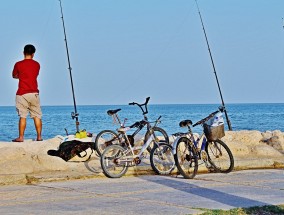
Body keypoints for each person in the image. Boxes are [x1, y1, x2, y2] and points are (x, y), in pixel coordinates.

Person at [12, 44, 43, 142]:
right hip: (34, 93)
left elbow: (14, 75)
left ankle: (21, 137)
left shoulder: (18, 64)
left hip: (22, 93)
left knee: (23, 116)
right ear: (33, 54)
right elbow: (34, 75)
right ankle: (39, 137)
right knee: (37, 116)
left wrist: (20, 76)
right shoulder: (37, 64)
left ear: (23, 52)